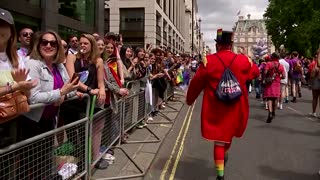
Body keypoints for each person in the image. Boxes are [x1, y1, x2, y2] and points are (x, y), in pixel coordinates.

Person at [186, 30, 259, 180]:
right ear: (231, 45)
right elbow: (255, 72)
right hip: (236, 106)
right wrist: (244, 75)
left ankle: (221, 175)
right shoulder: (243, 60)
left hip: (216, 107)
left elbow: (197, 82)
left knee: (219, 141)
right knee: (228, 136)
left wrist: (190, 99)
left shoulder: (209, 60)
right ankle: (223, 158)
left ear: (217, 45)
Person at [20, 30, 78, 179]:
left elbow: (68, 89)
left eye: (52, 43)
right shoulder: (32, 64)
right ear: (38, 45)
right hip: (32, 123)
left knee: (44, 161)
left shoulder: (59, 66)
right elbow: (33, 98)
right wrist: (60, 93)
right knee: (30, 165)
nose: (48, 45)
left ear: (58, 47)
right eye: (44, 42)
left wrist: (73, 93)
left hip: (50, 121)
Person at [263, 53, 285, 123]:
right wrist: (278, 76)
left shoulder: (269, 64)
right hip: (277, 83)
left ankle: (270, 113)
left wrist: (269, 73)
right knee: (275, 98)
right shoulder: (280, 65)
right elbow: (284, 76)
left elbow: (265, 72)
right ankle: (273, 112)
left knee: (269, 98)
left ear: (272, 57)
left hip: (269, 83)